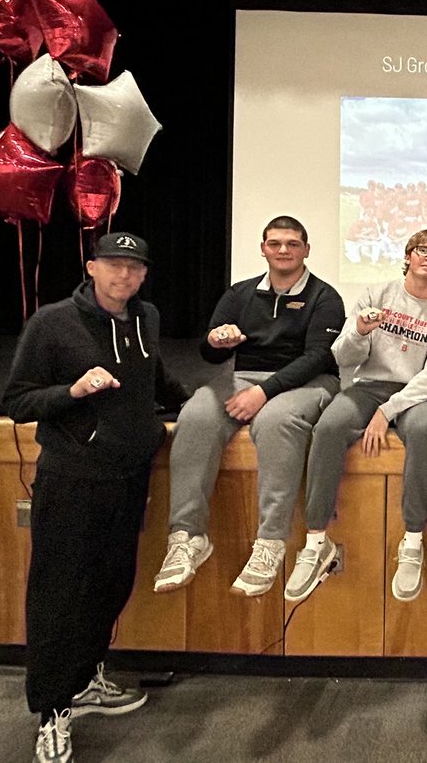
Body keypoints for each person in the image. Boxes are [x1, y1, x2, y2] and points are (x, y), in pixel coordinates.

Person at [4, 232, 189, 763]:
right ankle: (52, 712)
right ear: (92, 267)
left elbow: (153, 378)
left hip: (128, 477)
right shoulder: (53, 323)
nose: (123, 275)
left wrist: (201, 406)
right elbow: (17, 401)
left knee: (111, 585)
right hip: (72, 478)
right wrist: (73, 390)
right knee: (60, 595)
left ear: (144, 275)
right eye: (113, 264)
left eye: (134, 267)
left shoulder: (146, 317)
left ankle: (86, 680)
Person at [153, 216, 345, 597]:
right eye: (275, 243)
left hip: (309, 382)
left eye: (292, 244)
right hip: (244, 378)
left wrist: (264, 392)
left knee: (276, 420)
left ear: (306, 250)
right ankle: (187, 537)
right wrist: (216, 341)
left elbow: (318, 357)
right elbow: (209, 353)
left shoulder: (325, 297)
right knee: (195, 414)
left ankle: (270, 543)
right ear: (263, 249)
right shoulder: (239, 294)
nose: (283, 250)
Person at [286, 229, 427, 603]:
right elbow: (343, 356)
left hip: (420, 393)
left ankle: (412, 540)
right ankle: (316, 541)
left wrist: (388, 411)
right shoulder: (377, 295)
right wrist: (358, 332)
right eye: (422, 250)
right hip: (369, 385)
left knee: (423, 431)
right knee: (329, 426)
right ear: (408, 256)